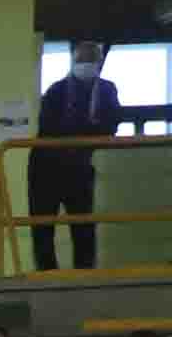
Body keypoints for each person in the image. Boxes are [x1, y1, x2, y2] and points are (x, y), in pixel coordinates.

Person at [34, 45, 129, 274]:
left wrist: (82, 131)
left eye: (90, 59)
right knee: (43, 228)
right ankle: (47, 278)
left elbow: (111, 124)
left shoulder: (106, 89)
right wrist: (89, 129)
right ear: (73, 62)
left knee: (84, 227)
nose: (86, 64)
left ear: (98, 63)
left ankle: (84, 276)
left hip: (79, 166)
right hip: (45, 167)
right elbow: (49, 128)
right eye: (82, 59)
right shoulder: (56, 91)